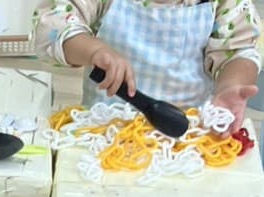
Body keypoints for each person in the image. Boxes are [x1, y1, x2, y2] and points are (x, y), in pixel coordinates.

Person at [32, 0, 261, 133]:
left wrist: (231, 85)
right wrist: (94, 50)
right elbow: (52, 24)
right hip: (102, 131)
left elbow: (238, 50)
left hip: (188, 136)